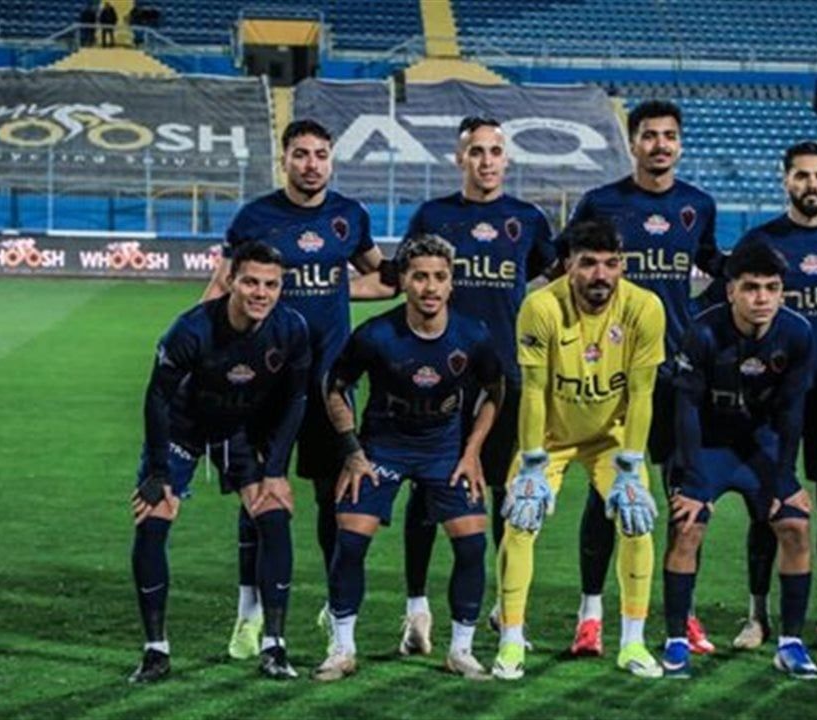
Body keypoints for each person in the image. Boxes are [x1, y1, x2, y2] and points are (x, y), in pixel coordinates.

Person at [351, 116, 557, 653]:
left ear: (506, 159)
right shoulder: (433, 216)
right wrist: (328, 288)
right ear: (459, 158)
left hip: (503, 379)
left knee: (506, 494)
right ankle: (416, 611)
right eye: (476, 151)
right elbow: (395, 280)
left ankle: (506, 608)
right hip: (438, 380)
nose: (486, 161)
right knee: (426, 490)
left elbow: (555, 279)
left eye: (495, 151)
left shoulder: (528, 219)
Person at [203, 119, 383, 661]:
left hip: (331, 386)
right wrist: (198, 350)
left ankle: (334, 608)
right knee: (258, 496)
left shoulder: (350, 216)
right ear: (284, 158)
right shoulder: (255, 217)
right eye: (301, 154)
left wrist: (340, 290)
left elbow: (382, 275)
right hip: (266, 384)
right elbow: (222, 285)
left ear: (331, 160)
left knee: (335, 498)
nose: (311, 164)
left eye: (321, 154)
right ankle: (249, 614)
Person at [565, 99, 724, 657]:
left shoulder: (698, 205)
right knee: (606, 493)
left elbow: (716, 267)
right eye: (650, 135)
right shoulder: (601, 203)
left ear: (680, 144)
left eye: (669, 136)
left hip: (679, 375)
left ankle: (684, 614)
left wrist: (697, 317)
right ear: (632, 143)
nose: (660, 144)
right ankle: (590, 615)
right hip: (614, 373)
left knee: (686, 496)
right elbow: (569, 270)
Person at [313, 234, 504, 682]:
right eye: (419, 277)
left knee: (472, 543)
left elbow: (496, 392)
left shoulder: (473, 335)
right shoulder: (375, 334)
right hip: (383, 447)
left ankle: (460, 651)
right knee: (350, 539)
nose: (430, 287)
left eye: (439, 277)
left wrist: (473, 452)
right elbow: (334, 387)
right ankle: (342, 649)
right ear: (403, 281)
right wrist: (352, 452)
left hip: (444, 449)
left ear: (452, 282)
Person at [128, 241, 311, 683]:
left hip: (240, 430)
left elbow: (296, 399)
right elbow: (157, 398)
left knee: (273, 515)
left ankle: (274, 646)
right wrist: (158, 470)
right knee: (153, 517)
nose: (260, 293)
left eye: (271, 285)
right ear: (230, 281)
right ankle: (156, 651)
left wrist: (275, 471)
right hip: (184, 428)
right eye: (250, 282)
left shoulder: (291, 328)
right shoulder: (190, 330)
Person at [492, 218, 666, 680]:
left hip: (611, 437)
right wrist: (531, 463)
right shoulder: (540, 307)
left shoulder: (645, 308)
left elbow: (643, 393)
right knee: (520, 521)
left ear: (622, 265)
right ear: (568, 265)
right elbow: (532, 390)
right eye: (588, 263)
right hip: (550, 438)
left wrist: (630, 466)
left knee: (637, 522)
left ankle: (632, 643)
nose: (600, 275)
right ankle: (510, 642)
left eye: (610, 264)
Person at [725, 141, 817, 651]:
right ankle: (757, 615)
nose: (812, 184)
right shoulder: (761, 240)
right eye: (802, 175)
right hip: (771, 397)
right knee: (767, 503)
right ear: (785, 179)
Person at [660, 242, 817, 679]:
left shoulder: (798, 333)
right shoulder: (703, 332)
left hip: (760, 447)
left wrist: (782, 479)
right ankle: (676, 641)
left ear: (782, 291)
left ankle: (790, 643)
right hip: (707, 445)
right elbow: (687, 409)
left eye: (771, 288)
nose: (761, 298)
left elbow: (792, 413)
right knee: (687, 527)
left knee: (795, 525)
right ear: (731, 291)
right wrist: (693, 480)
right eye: (751, 288)